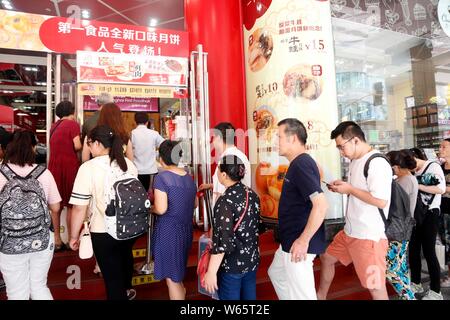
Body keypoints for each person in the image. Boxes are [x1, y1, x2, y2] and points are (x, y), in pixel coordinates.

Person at [318, 121, 392, 300]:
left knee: (376, 288)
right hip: (350, 232)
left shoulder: (377, 163)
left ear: (356, 140)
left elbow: (381, 201)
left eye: (341, 147)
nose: (341, 152)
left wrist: (349, 189)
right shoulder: (355, 161)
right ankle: (320, 296)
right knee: (327, 258)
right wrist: (343, 187)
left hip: (368, 238)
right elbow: (357, 190)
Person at [69, 125, 139, 300]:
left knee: (112, 279)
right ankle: (127, 290)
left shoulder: (88, 168)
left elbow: (79, 207)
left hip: (103, 230)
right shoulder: (128, 164)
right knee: (123, 267)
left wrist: (73, 236)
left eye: (90, 143)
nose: (89, 148)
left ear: (98, 144)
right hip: (130, 228)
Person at [267, 118, 328, 300]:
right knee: (276, 273)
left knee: (303, 296)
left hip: (298, 244)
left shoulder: (301, 164)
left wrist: (303, 240)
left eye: (278, 136)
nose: (275, 141)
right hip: (289, 241)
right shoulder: (298, 164)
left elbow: (321, 204)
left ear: (293, 138)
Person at [0, 130, 61, 300]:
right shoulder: (44, 173)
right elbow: (55, 207)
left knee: (16, 292)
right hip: (40, 239)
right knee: (39, 286)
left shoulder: (0, 173)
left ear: (9, 147)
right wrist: (56, 235)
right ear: (33, 148)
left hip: (8, 241)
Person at [203, 155, 261, 300]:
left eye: (218, 169)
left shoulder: (225, 201)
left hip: (232, 265)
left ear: (223, 175)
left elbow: (223, 241)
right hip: (251, 260)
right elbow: (256, 227)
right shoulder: (252, 195)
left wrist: (211, 272)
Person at [152, 140, 197, 300]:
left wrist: (151, 208)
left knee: (172, 279)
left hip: (168, 231)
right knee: (177, 272)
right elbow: (195, 204)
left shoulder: (162, 178)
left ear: (161, 159)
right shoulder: (189, 178)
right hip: (185, 230)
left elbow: (161, 208)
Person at [409, 147, 445, 300]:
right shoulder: (412, 171)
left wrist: (417, 186)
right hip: (416, 215)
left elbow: (441, 189)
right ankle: (415, 282)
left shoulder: (433, 166)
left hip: (430, 213)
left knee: (429, 252)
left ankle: (436, 291)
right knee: (413, 250)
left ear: (415, 158)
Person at [48, 101, 82, 252]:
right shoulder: (72, 124)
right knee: (70, 204)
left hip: (54, 166)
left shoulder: (53, 126)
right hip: (68, 166)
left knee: (56, 205)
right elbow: (77, 146)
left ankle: (57, 240)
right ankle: (70, 239)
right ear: (72, 111)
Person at [385, 149, 418, 300]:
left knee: (392, 271)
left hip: (397, 230)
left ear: (396, 167)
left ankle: (409, 297)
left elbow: (395, 208)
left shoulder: (404, 182)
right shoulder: (406, 179)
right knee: (401, 269)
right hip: (403, 229)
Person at [198, 122, 251, 205]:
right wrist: (211, 185)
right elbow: (232, 182)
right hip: (239, 207)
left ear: (218, 137)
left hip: (228, 212)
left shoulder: (228, 158)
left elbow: (223, 191)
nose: (213, 142)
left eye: (213, 138)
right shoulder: (239, 155)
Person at [131, 112, 164, 191]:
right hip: (152, 171)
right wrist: (158, 155)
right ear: (147, 122)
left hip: (137, 172)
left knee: (139, 196)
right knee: (152, 197)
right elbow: (165, 146)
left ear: (135, 122)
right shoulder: (154, 134)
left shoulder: (132, 134)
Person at [439, 138, 450, 288]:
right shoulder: (439, 167)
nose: (440, 148)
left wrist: (443, 188)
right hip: (442, 211)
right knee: (446, 243)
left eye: (444, 146)